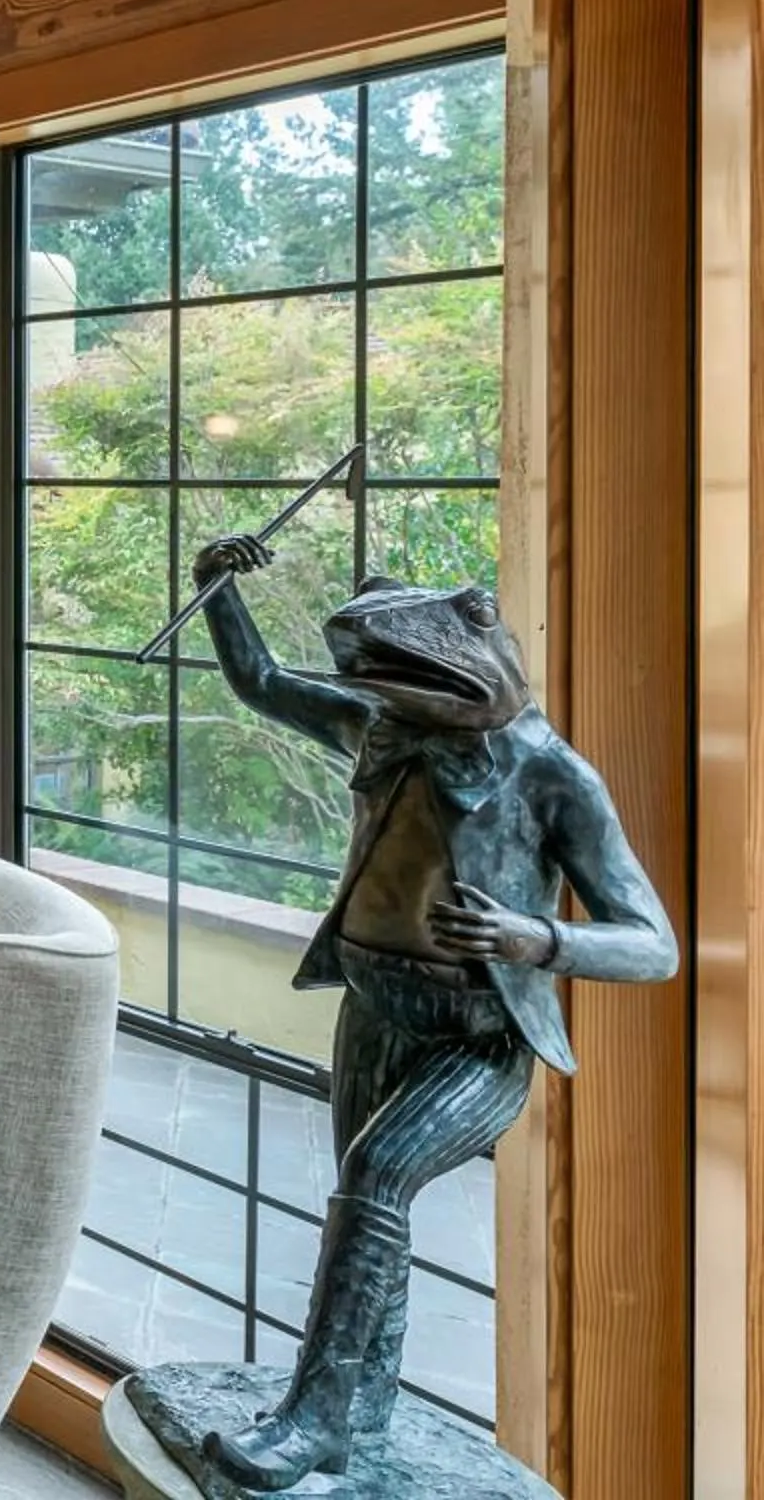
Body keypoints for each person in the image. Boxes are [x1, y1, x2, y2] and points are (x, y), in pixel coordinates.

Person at [186, 535, 676, 1489]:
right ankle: (363, 1408)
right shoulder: (374, 725)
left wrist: (543, 940)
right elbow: (260, 681)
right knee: (369, 1212)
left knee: (373, 1177)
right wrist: (215, 586)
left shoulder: (552, 773)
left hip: (478, 1037)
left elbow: (652, 942)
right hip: (374, 1004)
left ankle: (312, 1423)